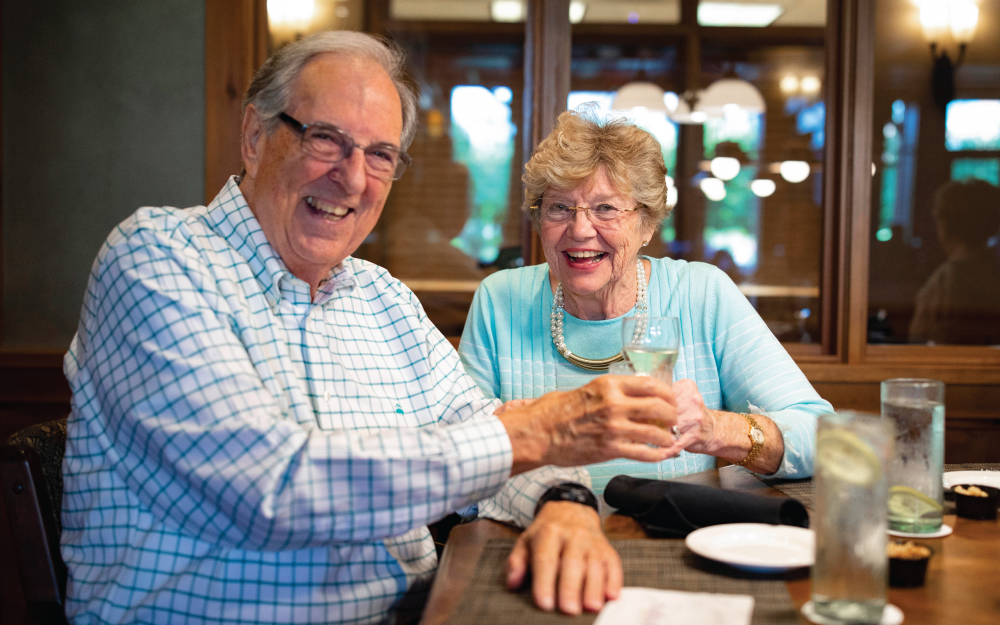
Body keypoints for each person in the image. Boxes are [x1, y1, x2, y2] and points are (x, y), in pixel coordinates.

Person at [61, 34, 683, 624]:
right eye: (326, 140)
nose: (354, 178)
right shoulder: (159, 260)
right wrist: (537, 430)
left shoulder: (381, 297)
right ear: (254, 136)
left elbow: (481, 430)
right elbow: (271, 489)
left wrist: (563, 504)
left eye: (380, 155)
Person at [459, 109, 833, 496]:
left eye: (606, 208)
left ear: (648, 224)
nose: (580, 229)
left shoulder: (700, 294)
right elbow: (463, 454)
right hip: (542, 535)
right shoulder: (500, 300)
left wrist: (715, 429)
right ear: (539, 220)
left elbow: (822, 436)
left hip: (671, 541)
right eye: (559, 207)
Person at [909, 179, 1000, 345]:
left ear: (945, 224)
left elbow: (941, 341)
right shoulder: (990, 270)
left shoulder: (950, 278)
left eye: (938, 218)